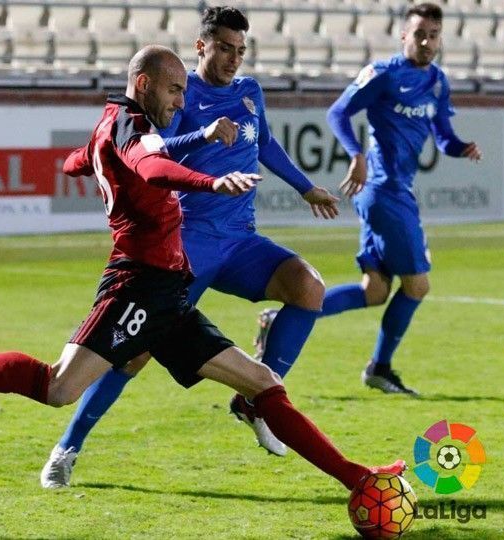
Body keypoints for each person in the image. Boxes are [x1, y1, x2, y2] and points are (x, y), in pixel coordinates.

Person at [0, 45, 404, 495]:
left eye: (185, 92)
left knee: (264, 384)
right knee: (57, 388)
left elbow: (104, 155)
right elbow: (152, 162)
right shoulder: (130, 125)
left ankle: (360, 480)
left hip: (171, 290)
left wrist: (88, 160)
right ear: (143, 83)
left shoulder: (113, 122)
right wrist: (210, 182)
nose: (181, 100)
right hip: (136, 286)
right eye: (174, 90)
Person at [40, 6, 342, 488]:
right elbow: (151, 155)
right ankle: (67, 447)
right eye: (224, 48)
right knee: (131, 355)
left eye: (241, 50)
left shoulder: (249, 92)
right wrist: (201, 135)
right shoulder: (174, 94)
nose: (233, 59)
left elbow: (264, 141)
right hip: (187, 244)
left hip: (240, 241)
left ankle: (252, 401)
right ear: (201, 46)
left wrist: (305, 187)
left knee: (308, 287)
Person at [256, 2, 482, 395]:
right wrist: (357, 155)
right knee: (417, 286)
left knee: (373, 291)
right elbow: (338, 114)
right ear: (403, 36)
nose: (426, 42)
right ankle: (380, 367)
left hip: (397, 191)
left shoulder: (438, 81)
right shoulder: (383, 74)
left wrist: (461, 147)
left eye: (433, 35)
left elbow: (443, 135)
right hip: (382, 191)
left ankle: (280, 320)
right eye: (419, 34)